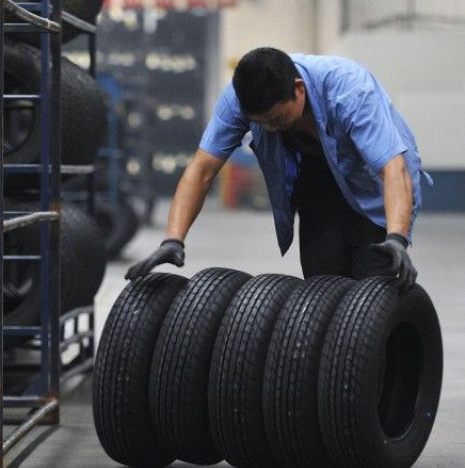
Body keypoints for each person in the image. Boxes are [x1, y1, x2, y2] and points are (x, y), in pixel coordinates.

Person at [126, 47, 428, 291]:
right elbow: (202, 169)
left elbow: (392, 167)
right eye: (261, 123)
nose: (270, 128)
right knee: (322, 289)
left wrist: (397, 238)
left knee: (372, 292)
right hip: (315, 185)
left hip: (371, 189)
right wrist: (173, 239)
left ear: (298, 90)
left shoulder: (350, 91)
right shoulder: (238, 100)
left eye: (277, 120)